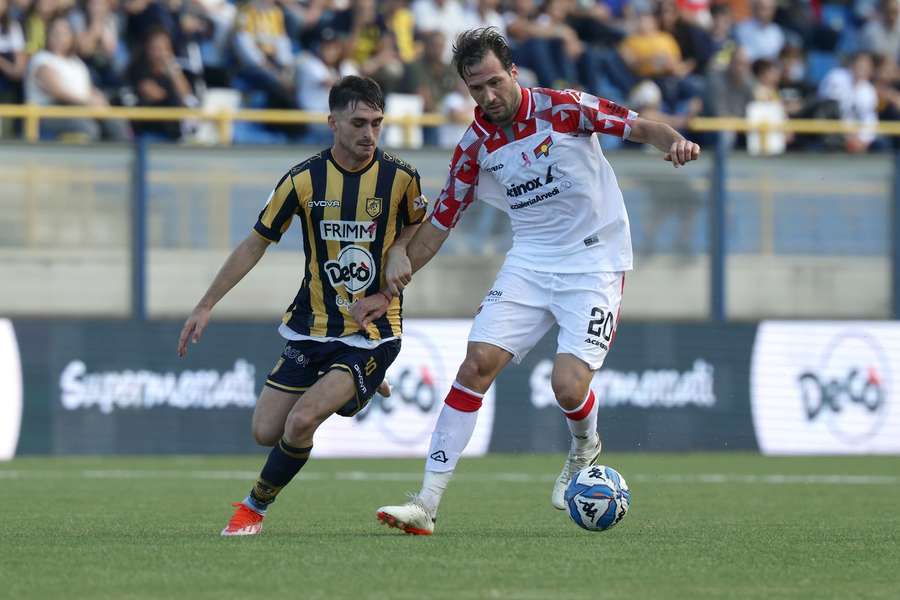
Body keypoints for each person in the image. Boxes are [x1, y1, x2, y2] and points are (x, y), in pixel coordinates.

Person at [351, 27, 700, 535]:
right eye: (476, 90)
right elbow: (440, 225)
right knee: (475, 366)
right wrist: (388, 289)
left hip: (595, 261)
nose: (488, 97)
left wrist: (677, 144)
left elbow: (642, 127)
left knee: (567, 385)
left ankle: (585, 447)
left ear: (513, 72)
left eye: (495, 82)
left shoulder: (564, 107)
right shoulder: (474, 146)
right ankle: (425, 504)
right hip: (531, 261)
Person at [176, 75, 428, 536]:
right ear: (332, 122)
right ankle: (363, 387)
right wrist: (206, 303)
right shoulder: (302, 179)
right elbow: (255, 243)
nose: (369, 134)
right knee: (265, 432)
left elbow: (421, 225)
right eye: (358, 123)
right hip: (311, 324)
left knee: (301, 421)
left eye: (376, 123)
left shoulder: (401, 179)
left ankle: (253, 509)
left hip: (373, 329)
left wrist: (399, 249)